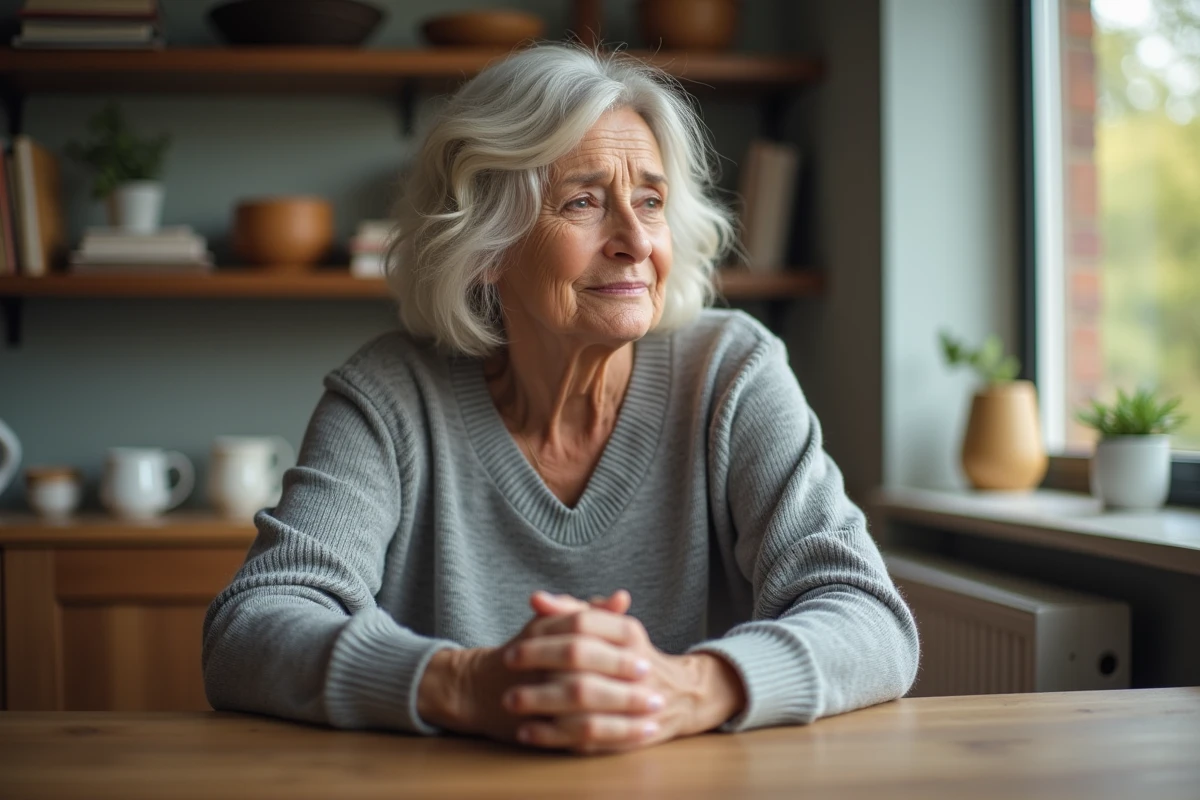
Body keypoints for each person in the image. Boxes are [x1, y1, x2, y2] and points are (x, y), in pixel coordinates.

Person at [202, 43, 919, 756]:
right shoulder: (389, 398)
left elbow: (870, 618)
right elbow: (252, 627)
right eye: (583, 201)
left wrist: (688, 687)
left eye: (650, 200)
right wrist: (467, 684)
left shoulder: (732, 370)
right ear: (487, 245)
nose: (635, 240)